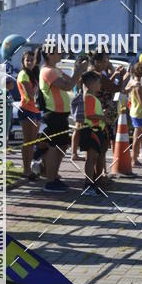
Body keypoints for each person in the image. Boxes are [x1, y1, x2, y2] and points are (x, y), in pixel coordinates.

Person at [39, 46, 87, 192]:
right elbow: (67, 86)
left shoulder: (56, 69)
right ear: (49, 54)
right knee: (54, 147)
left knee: (62, 146)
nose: (61, 53)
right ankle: (50, 180)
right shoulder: (48, 71)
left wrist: (80, 69)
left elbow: (74, 82)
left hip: (61, 114)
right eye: (58, 51)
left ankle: (53, 176)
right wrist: (78, 71)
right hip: (53, 114)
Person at [90, 50, 128, 175]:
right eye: (105, 61)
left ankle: (99, 175)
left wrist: (114, 73)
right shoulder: (99, 76)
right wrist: (122, 76)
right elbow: (116, 88)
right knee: (101, 149)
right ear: (98, 62)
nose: (107, 63)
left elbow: (108, 84)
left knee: (95, 150)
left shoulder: (92, 74)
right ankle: (97, 178)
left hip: (97, 113)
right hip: (103, 115)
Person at [80, 70, 108, 195]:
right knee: (91, 159)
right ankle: (88, 184)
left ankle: (91, 183)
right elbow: (90, 115)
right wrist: (103, 117)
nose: (100, 85)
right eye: (98, 83)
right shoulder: (89, 98)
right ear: (91, 84)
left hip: (97, 130)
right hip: (92, 131)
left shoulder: (92, 97)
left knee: (94, 158)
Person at [17, 47, 42, 181]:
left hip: (36, 111)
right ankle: (26, 170)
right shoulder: (23, 74)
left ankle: (30, 169)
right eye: (27, 60)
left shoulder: (33, 74)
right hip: (27, 110)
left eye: (32, 60)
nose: (30, 62)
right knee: (28, 142)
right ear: (23, 61)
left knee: (32, 142)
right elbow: (30, 94)